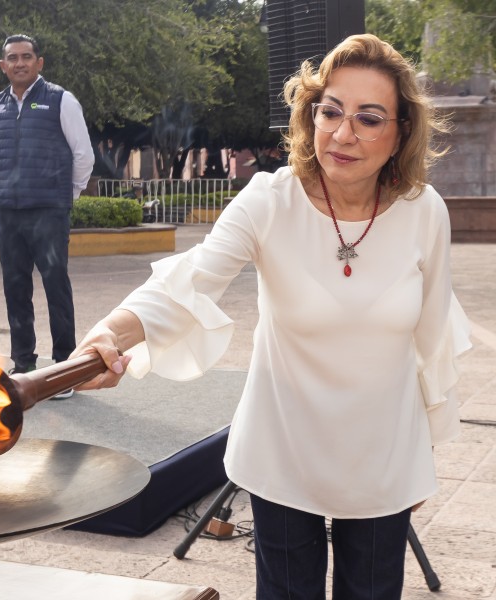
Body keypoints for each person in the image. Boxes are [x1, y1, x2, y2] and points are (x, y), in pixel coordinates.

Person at [71, 34, 471, 599]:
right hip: (283, 449)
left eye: (369, 118)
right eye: (330, 110)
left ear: (401, 131)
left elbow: (433, 338)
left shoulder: (424, 210)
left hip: (385, 457)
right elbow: (191, 278)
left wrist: (423, 454)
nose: (342, 133)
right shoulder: (268, 199)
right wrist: (112, 331)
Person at [0, 34, 94, 397]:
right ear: (3, 66)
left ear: (39, 62)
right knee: (15, 288)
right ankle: (24, 366)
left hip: (49, 211)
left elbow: (84, 155)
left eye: (26, 57)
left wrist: (67, 196)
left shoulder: (61, 100)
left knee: (55, 286)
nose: (19, 63)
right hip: (8, 212)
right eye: (12, 58)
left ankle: (64, 369)